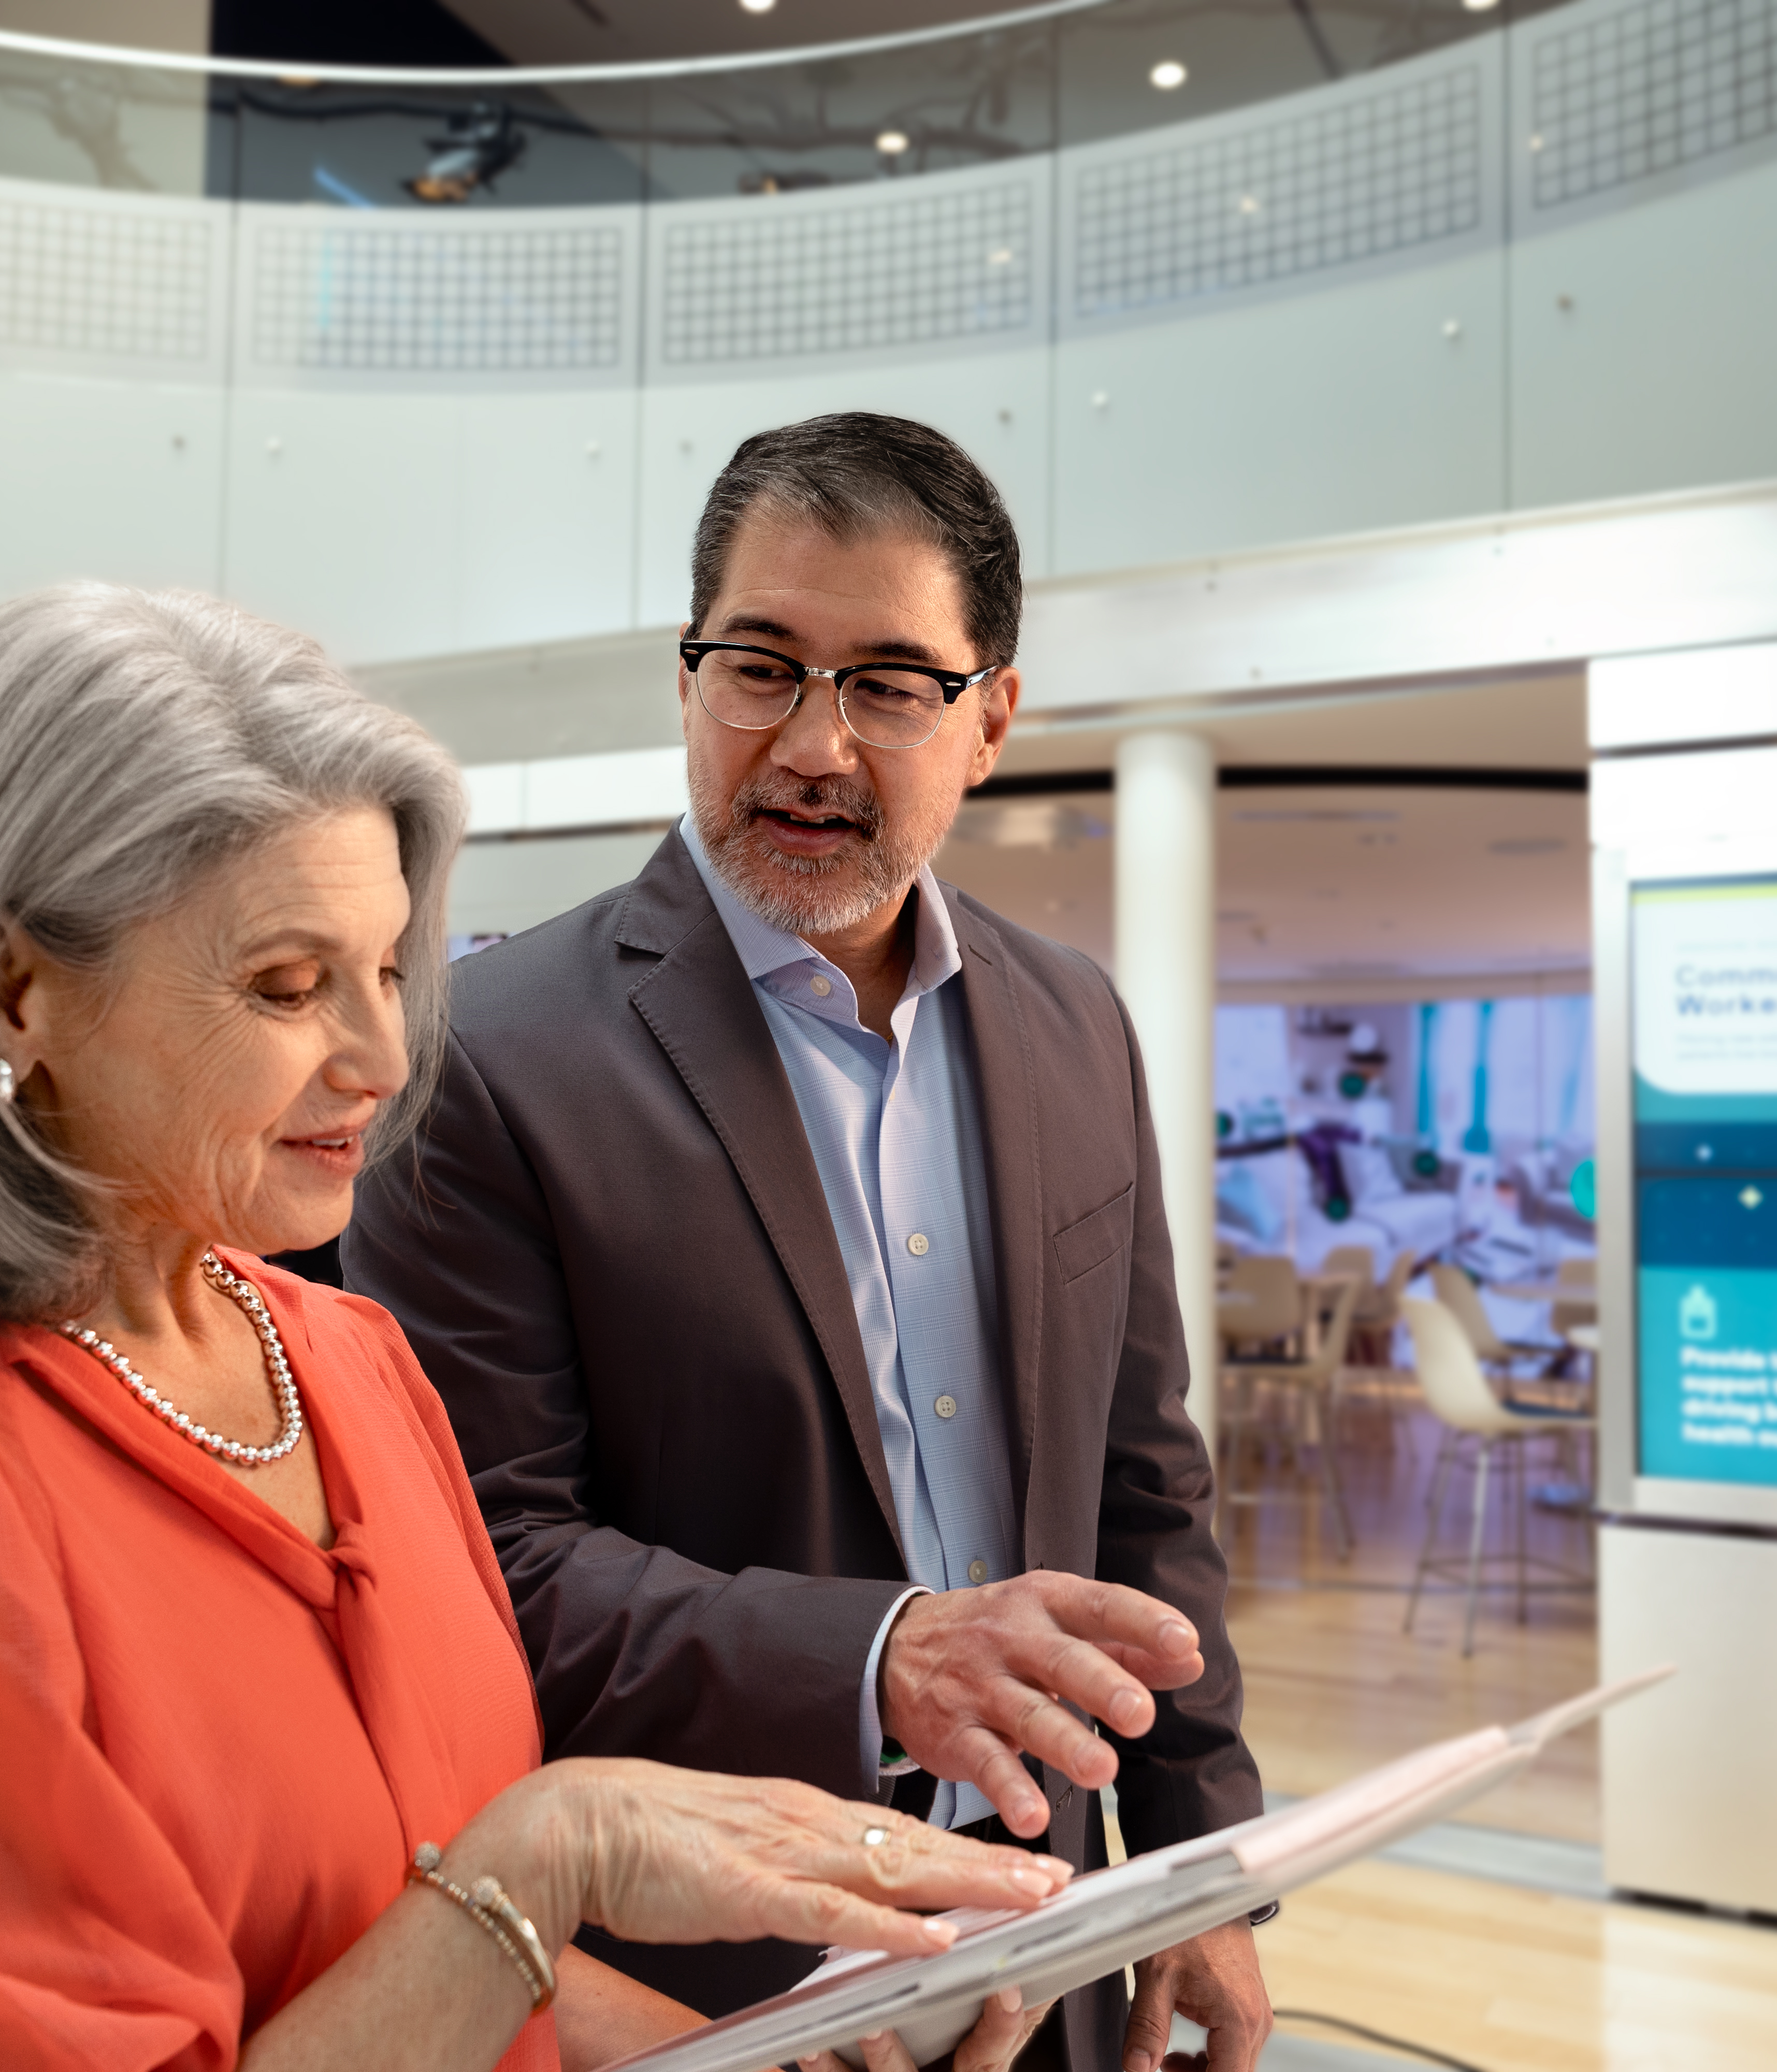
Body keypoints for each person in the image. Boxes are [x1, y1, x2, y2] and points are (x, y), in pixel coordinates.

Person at [0, 586, 1074, 2072]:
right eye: (289, 986)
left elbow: (424, 1953)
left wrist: (752, 2056)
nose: (382, 1057)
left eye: (389, 973)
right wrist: (551, 1852)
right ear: (15, 992)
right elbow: (480, 1911)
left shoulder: (342, 1359)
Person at [345, 415, 1270, 2072]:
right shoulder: (485, 1056)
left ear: (990, 720)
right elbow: (491, 1564)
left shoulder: (1074, 1023)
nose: (812, 746)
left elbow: (1143, 1478)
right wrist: (881, 1655)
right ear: (685, 680)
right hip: (710, 1978)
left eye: (890, 685)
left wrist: (1201, 1863)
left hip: (1045, 1926)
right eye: (760, 668)